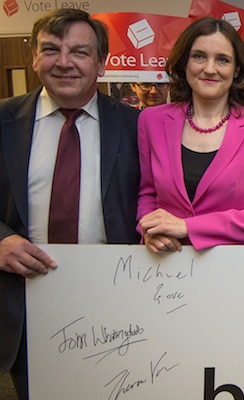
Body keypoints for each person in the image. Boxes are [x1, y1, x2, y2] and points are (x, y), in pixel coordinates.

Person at [0, 9, 140, 400]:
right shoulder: (3, 121)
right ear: (34, 57)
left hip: (116, 306)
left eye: (79, 51)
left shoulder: (135, 126)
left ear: (101, 63)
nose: (64, 62)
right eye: (51, 49)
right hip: (24, 306)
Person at [137, 17, 244, 253]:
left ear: (236, 69)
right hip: (164, 266)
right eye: (199, 56)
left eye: (223, 60)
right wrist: (149, 229)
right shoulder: (151, 120)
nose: (209, 68)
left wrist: (189, 227)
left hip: (233, 269)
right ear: (184, 62)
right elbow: (147, 193)